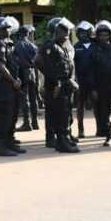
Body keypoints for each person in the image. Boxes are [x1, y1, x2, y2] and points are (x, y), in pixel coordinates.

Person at [0, 16, 26, 156]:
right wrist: (13, 81)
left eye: (8, 28)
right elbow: (1, 67)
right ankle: (0, 145)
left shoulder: (7, 43)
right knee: (4, 115)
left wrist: (17, 79)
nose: (8, 30)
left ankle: (9, 141)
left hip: (10, 85)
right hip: (3, 85)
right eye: (5, 28)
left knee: (12, 114)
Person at [39, 17, 79, 153]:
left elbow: (66, 67)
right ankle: (62, 142)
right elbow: (49, 68)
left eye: (67, 30)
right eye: (63, 30)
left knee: (65, 112)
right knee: (59, 113)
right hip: (57, 86)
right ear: (56, 31)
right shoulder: (50, 46)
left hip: (65, 85)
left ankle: (64, 139)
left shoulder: (63, 47)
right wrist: (57, 83)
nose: (67, 33)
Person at [73, 21, 97, 138]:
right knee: (80, 105)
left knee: (97, 104)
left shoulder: (96, 45)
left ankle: (101, 128)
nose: (82, 35)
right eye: (80, 32)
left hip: (94, 81)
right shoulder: (76, 47)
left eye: (84, 32)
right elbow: (72, 66)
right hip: (81, 81)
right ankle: (80, 130)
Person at [15, 25, 39, 132]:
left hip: (23, 72)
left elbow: (17, 61)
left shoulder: (18, 45)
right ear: (27, 34)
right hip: (33, 72)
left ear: (19, 34)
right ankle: (35, 122)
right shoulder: (33, 46)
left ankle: (27, 123)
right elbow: (37, 62)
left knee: (25, 98)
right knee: (33, 98)